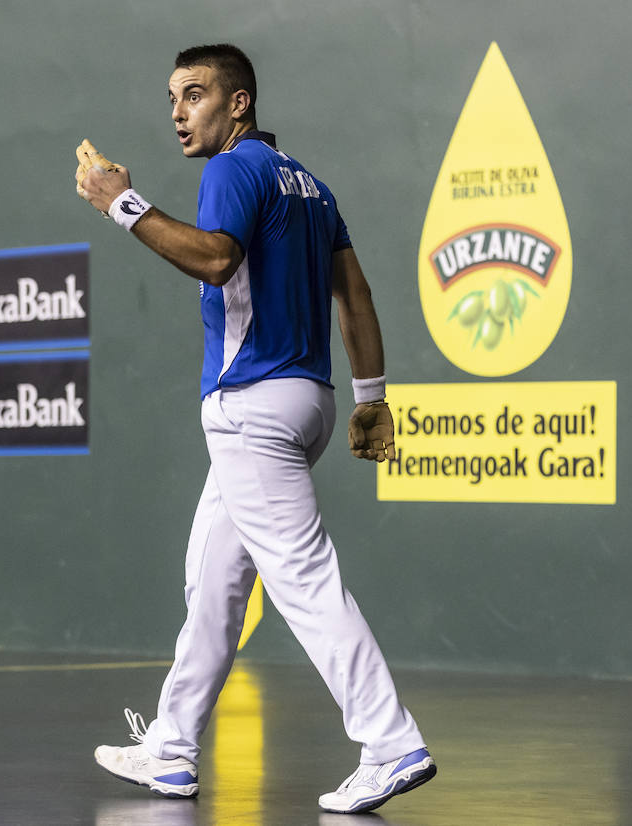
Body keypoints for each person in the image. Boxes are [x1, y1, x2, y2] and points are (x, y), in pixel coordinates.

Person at [76, 43, 435, 815]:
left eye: (196, 95)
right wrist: (371, 395)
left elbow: (214, 261)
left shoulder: (232, 170)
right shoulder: (311, 185)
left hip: (251, 406)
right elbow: (358, 293)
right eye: (172, 97)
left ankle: (390, 740)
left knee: (303, 580)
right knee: (213, 580)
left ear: (239, 104)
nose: (178, 112)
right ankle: (170, 751)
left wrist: (121, 204)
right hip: (304, 401)